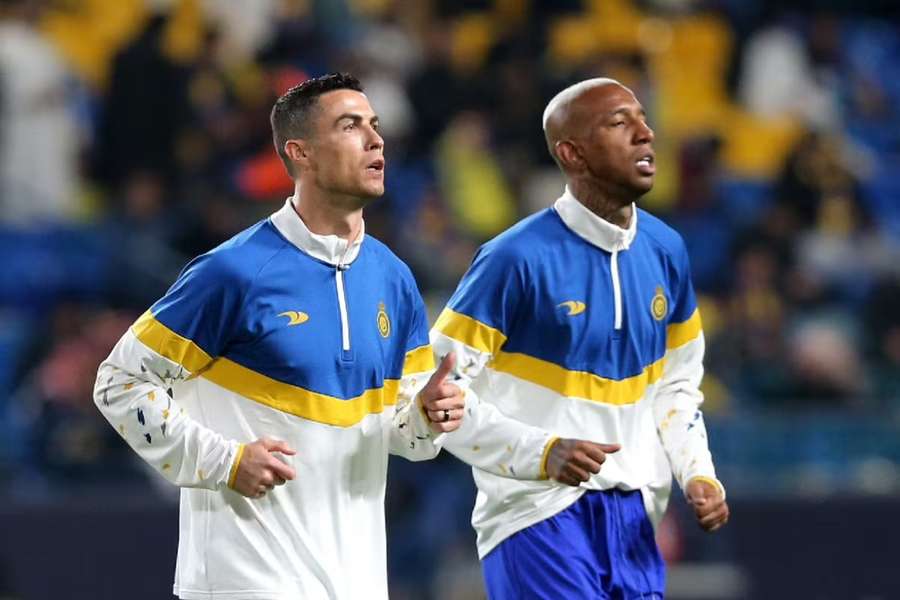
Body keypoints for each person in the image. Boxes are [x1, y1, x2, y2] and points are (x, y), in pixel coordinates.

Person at [92, 73, 600, 600]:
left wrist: (428, 415)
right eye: (350, 125)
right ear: (301, 153)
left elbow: (404, 433)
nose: (375, 139)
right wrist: (225, 461)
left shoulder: (393, 278)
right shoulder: (233, 272)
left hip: (355, 580)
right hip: (243, 580)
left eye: (375, 126)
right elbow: (119, 382)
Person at [432, 78, 731, 599]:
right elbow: (431, 395)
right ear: (572, 153)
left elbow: (677, 386)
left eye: (642, 118)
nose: (646, 134)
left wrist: (697, 473)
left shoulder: (667, 251)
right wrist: (540, 452)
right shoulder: (514, 259)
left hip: (637, 516)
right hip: (537, 515)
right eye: (620, 124)